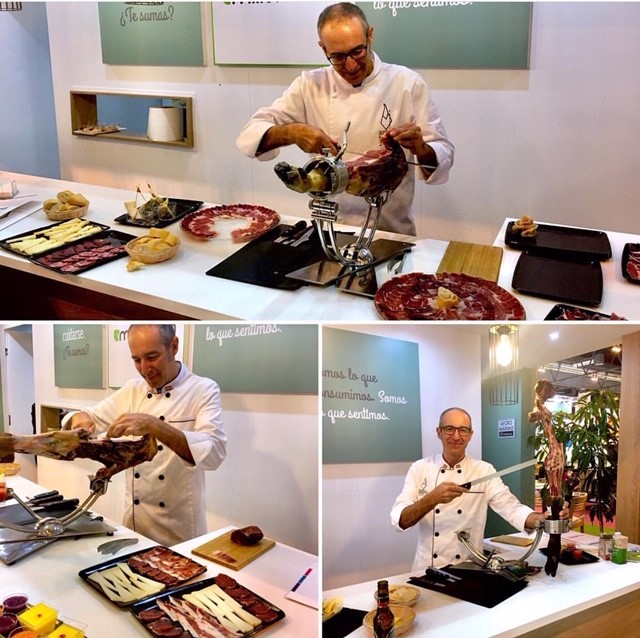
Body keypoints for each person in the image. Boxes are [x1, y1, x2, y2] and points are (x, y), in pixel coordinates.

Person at [236, 2, 454, 235]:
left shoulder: (406, 83)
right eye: (338, 56)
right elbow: (250, 134)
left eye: (357, 51)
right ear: (323, 49)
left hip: (390, 232)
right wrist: (291, 133)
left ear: (370, 36)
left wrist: (421, 148)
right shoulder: (310, 85)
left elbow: (443, 154)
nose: (350, 65)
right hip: (329, 229)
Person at [63, 324, 226, 546]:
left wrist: (154, 425)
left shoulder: (203, 389)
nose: (144, 368)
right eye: (136, 360)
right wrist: (80, 419)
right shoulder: (133, 390)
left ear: (174, 346)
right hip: (134, 527)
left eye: (151, 357)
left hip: (178, 533)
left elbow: (214, 452)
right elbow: (89, 415)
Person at [390, 407, 566, 571]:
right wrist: (432, 498)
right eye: (449, 429)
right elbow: (400, 520)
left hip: (469, 569)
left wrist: (541, 519)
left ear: (470, 434)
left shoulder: (484, 470)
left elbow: (511, 508)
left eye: (463, 430)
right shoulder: (420, 468)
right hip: (427, 570)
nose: (456, 436)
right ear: (439, 432)